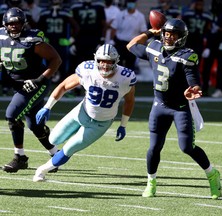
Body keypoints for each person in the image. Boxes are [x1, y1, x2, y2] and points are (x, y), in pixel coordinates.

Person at [127, 18, 222, 199]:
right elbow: (131, 45)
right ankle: (151, 183)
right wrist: (149, 32)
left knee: (186, 147)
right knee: (154, 148)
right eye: (167, 34)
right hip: (159, 105)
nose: (169, 38)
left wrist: (193, 90)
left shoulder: (187, 55)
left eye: (173, 35)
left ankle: (212, 174)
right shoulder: (154, 46)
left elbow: (195, 82)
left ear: (181, 37)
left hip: (180, 107)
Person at [32, 44, 136, 182]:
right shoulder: (87, 70)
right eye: (101, 61)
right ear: (96, 60)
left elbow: (129, 101)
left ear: (116, 61)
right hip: (81, 112)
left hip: (100, 123)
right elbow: (63, 86)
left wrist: (123, 125)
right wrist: (47, 107)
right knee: (53, 140)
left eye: (109, 61)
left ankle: (41, 171)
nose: (105, 65)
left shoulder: (125, 77)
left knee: (69, 149)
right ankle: (60, 153)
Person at [0, 7, 62, 172]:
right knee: (35, 125)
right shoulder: (1, 37)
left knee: (12, 115)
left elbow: (56, 59)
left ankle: (19, 157)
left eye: (18, 22)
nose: (14, 26)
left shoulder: (31, 39)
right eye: (11, 23)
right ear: (5, 24)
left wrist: (40, 79)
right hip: (18, 85)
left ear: (23, 23)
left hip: (36, 84)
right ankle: (56, 156)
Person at [37, 0, 80, 83]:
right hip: (48, 43)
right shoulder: (44, 12)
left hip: (61, 43)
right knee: (47, 64)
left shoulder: (65, 12)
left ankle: (64, 83)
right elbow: (38, 27)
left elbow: (76, 27)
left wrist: (71, 40)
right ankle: (47, 84)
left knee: (62, 63)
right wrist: (42, 38)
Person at [110, 0, 147, 72]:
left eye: (132, 2)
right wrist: (112, 40)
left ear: (135, 4)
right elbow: (113, 28)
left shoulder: (140, 16)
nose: (130, 4)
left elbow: (143, 32)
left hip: (132, 45)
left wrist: (142, 43)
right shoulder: (120, 14)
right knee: (118, 66)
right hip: (120, 44)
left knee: (130, 67)